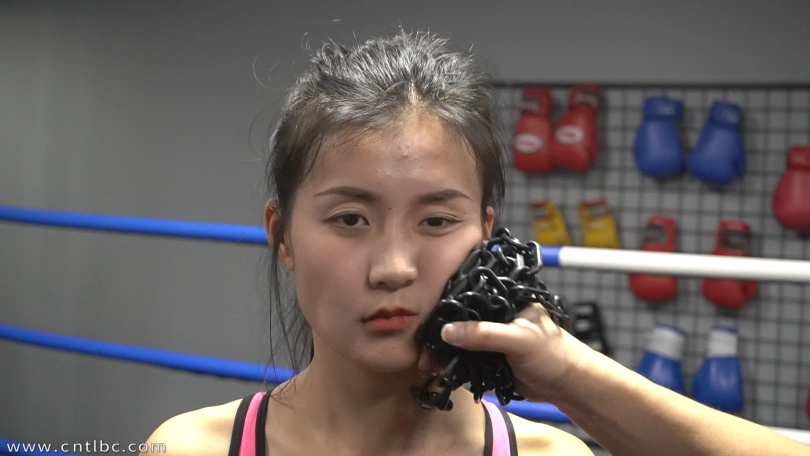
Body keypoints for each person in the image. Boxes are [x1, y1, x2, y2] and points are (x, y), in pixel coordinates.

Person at [143, 31, 809, 456]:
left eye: (436, 221)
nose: (394, 268)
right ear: (282, 236)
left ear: (486, 235)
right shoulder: (190, 448)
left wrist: (569, 372)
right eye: (349, 219)